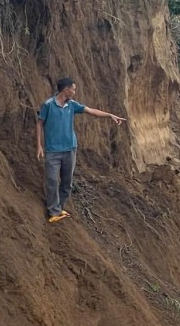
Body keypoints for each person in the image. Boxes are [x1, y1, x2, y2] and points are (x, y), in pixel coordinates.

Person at [36, 77, 125, 223]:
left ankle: (59, 207)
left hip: (70, 149)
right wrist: (39, 145)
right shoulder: (48, 105)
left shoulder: (72, 105)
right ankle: (54, 211)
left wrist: (109, 115)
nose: (75, 92)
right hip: (52, 150)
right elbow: (39, 124)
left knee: (67, 182)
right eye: (73, 89)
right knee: (52, 180)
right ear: (66, 90)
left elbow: (92, 111)